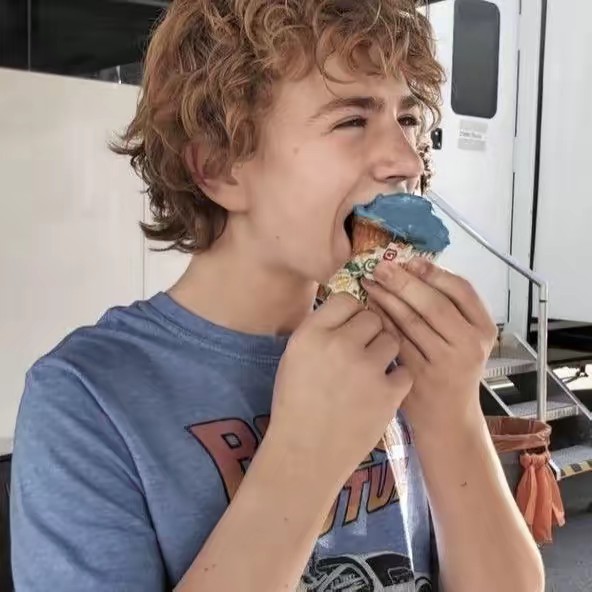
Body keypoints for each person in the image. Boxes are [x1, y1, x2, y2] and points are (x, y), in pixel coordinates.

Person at [10, 1, 544, 591]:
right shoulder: (87, 398)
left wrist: (451, 414)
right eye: (353, 120)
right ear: (220, 167)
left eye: (409, 119)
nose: (407, 160)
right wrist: (302, 460)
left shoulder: (400, 350)